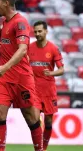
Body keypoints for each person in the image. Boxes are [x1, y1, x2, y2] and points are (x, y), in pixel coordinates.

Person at [0, 0, 42, 151]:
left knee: (32, 118)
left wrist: (5, 67)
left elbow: (22, 50)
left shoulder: (20, 22)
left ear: (7, 3)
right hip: (4, 78)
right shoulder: (5, 23)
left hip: (21, 76)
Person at [29, 21, 64, 151]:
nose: (37, 34)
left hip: (49, 90)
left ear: (46, 31)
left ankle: (44, 148)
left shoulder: (53, 48)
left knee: (48, 122)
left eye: (40, 31)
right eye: (35, 31)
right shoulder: (29, 47)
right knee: (35, 120)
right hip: (34, 90)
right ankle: (38, 148)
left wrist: (51, 73)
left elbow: (61, 70)